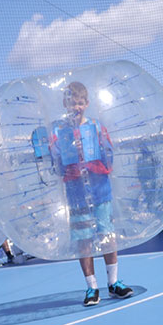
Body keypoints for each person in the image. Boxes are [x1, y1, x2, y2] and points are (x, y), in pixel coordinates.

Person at [49, 81, 133, 307]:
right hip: (76, 193)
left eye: (79, 103)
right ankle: (91, 286)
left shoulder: (96, 127)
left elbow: (109, 154)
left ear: (86, 103)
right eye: (71, 103)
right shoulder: (59, 132)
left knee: (107, 235)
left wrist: (96, 154)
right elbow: (56, 164)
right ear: (65, 104)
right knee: (83, 240)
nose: (76, 107)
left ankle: (114, 282)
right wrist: (66, 151)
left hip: (99, 190)